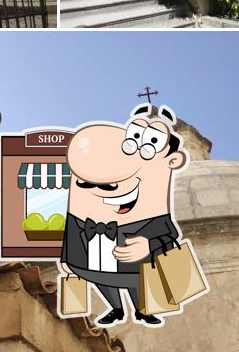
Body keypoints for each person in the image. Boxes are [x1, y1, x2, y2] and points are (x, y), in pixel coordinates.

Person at [58, 104, 189, 327]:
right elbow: (72, 230)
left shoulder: (153, 204)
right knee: (101, 279)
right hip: (97, 256)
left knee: (135, 280)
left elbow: (168, 232)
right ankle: (116, 309)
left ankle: (142, 310)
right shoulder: (85, 206)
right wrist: (67, 260)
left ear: (172, 160)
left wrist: (148, 246)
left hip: (134, 259)